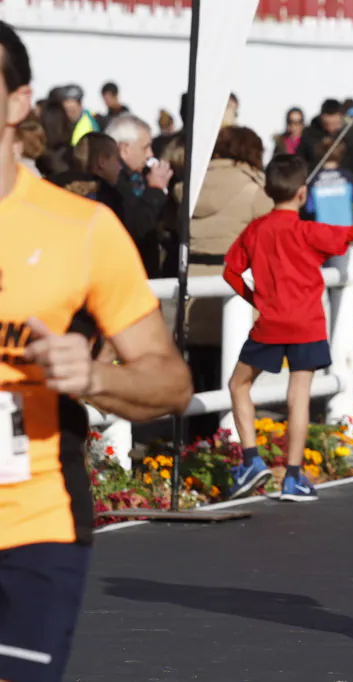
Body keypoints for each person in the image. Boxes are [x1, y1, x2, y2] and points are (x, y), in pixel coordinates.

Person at [0, 22, 194, 682]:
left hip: (31, 527)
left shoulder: (80, 230)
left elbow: (170, 383)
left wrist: (93, 375)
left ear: (17, 103)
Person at [222, 154, 353, 502]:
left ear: (267, 190)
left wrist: (256, 300)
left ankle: (251, 459)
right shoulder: (308, 231)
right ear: (303, 193)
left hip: (270, 323)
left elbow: (230, 271)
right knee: (299, 397)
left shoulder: (255, 230)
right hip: (307, 324)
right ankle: (292, 477)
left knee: (238, 385)